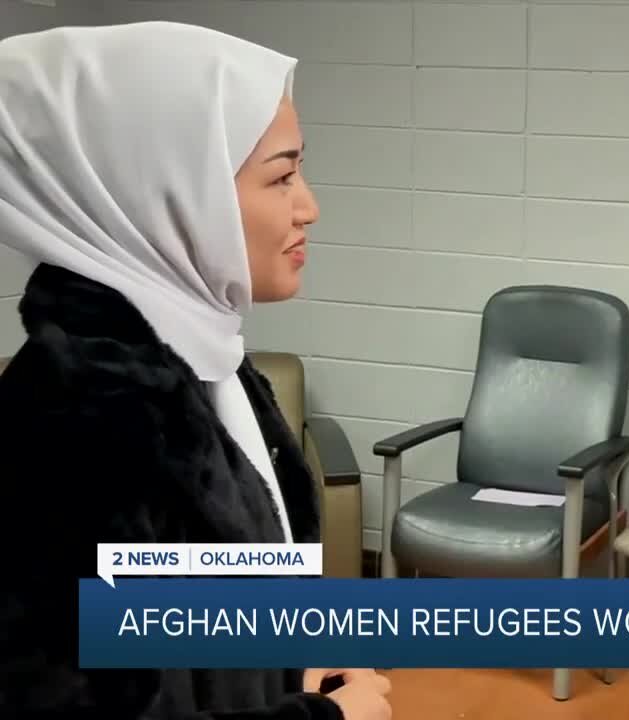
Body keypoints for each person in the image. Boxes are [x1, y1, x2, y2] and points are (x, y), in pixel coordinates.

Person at [0, 22, 391, 720]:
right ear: (168, 192)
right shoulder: (75, 422)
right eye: (282, 175)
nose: (309, 206)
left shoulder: (202, 363)